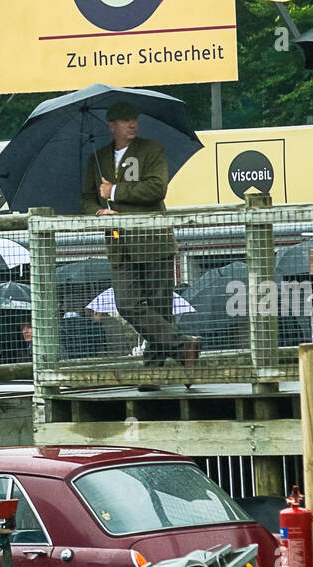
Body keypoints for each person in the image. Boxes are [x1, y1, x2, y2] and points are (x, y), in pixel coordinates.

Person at [82, 100, 199, 374]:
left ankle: (155, 372)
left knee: (160, 308)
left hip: (153, 241)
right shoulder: (96, 159)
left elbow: (157, 189)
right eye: (125, 120)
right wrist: (99, 211)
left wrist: (114, 192)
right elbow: (86, 199)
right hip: (118, 245)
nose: (132, 124)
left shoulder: (152, 151)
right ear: (112, 126)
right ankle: (183, 346)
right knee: (126, 304)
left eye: (134, 119)